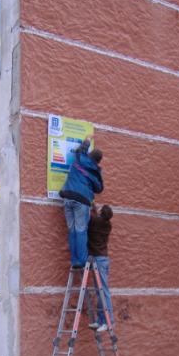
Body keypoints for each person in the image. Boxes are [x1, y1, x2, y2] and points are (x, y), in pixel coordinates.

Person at [59, 136, 103, 269]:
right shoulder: (95, 172)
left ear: (89, 154)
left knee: (72, 230)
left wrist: (87, 140)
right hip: (82, 201)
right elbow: (99, 188)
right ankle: (82, 260)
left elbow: (81, 150)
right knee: (81, 230)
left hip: (68, 197)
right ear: (98, 161)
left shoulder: (80, 158)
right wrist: (98, 172)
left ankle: (75, 260)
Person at [87, 204, 114, 333]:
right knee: (100, 292)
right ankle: (101, 320)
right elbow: (96, 218)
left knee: (103, 291)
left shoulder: (96, 221)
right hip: (102, 259)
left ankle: (109, 322)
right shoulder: (107, 224)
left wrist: (91, 207)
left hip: (99, 259)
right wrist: (96, 209)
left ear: (101, 212)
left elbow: (91, 219)